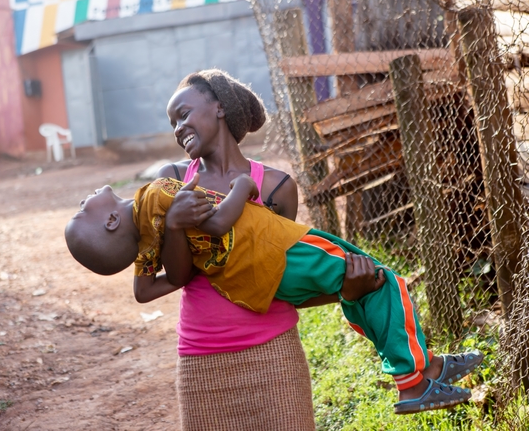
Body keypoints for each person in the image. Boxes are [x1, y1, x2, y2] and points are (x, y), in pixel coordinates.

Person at [65, 169, 483, 414]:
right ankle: (412, 380)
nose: (83, 200)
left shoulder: (146, 243)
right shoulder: (157, 193)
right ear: (109, 224)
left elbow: (152, 287)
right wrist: (243, 187)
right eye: (83, 209)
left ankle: (424, 369)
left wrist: (167, 235)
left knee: (354, 290)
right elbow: (217, 223)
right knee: (381, 277)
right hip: (276, 248)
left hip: (255, 283)